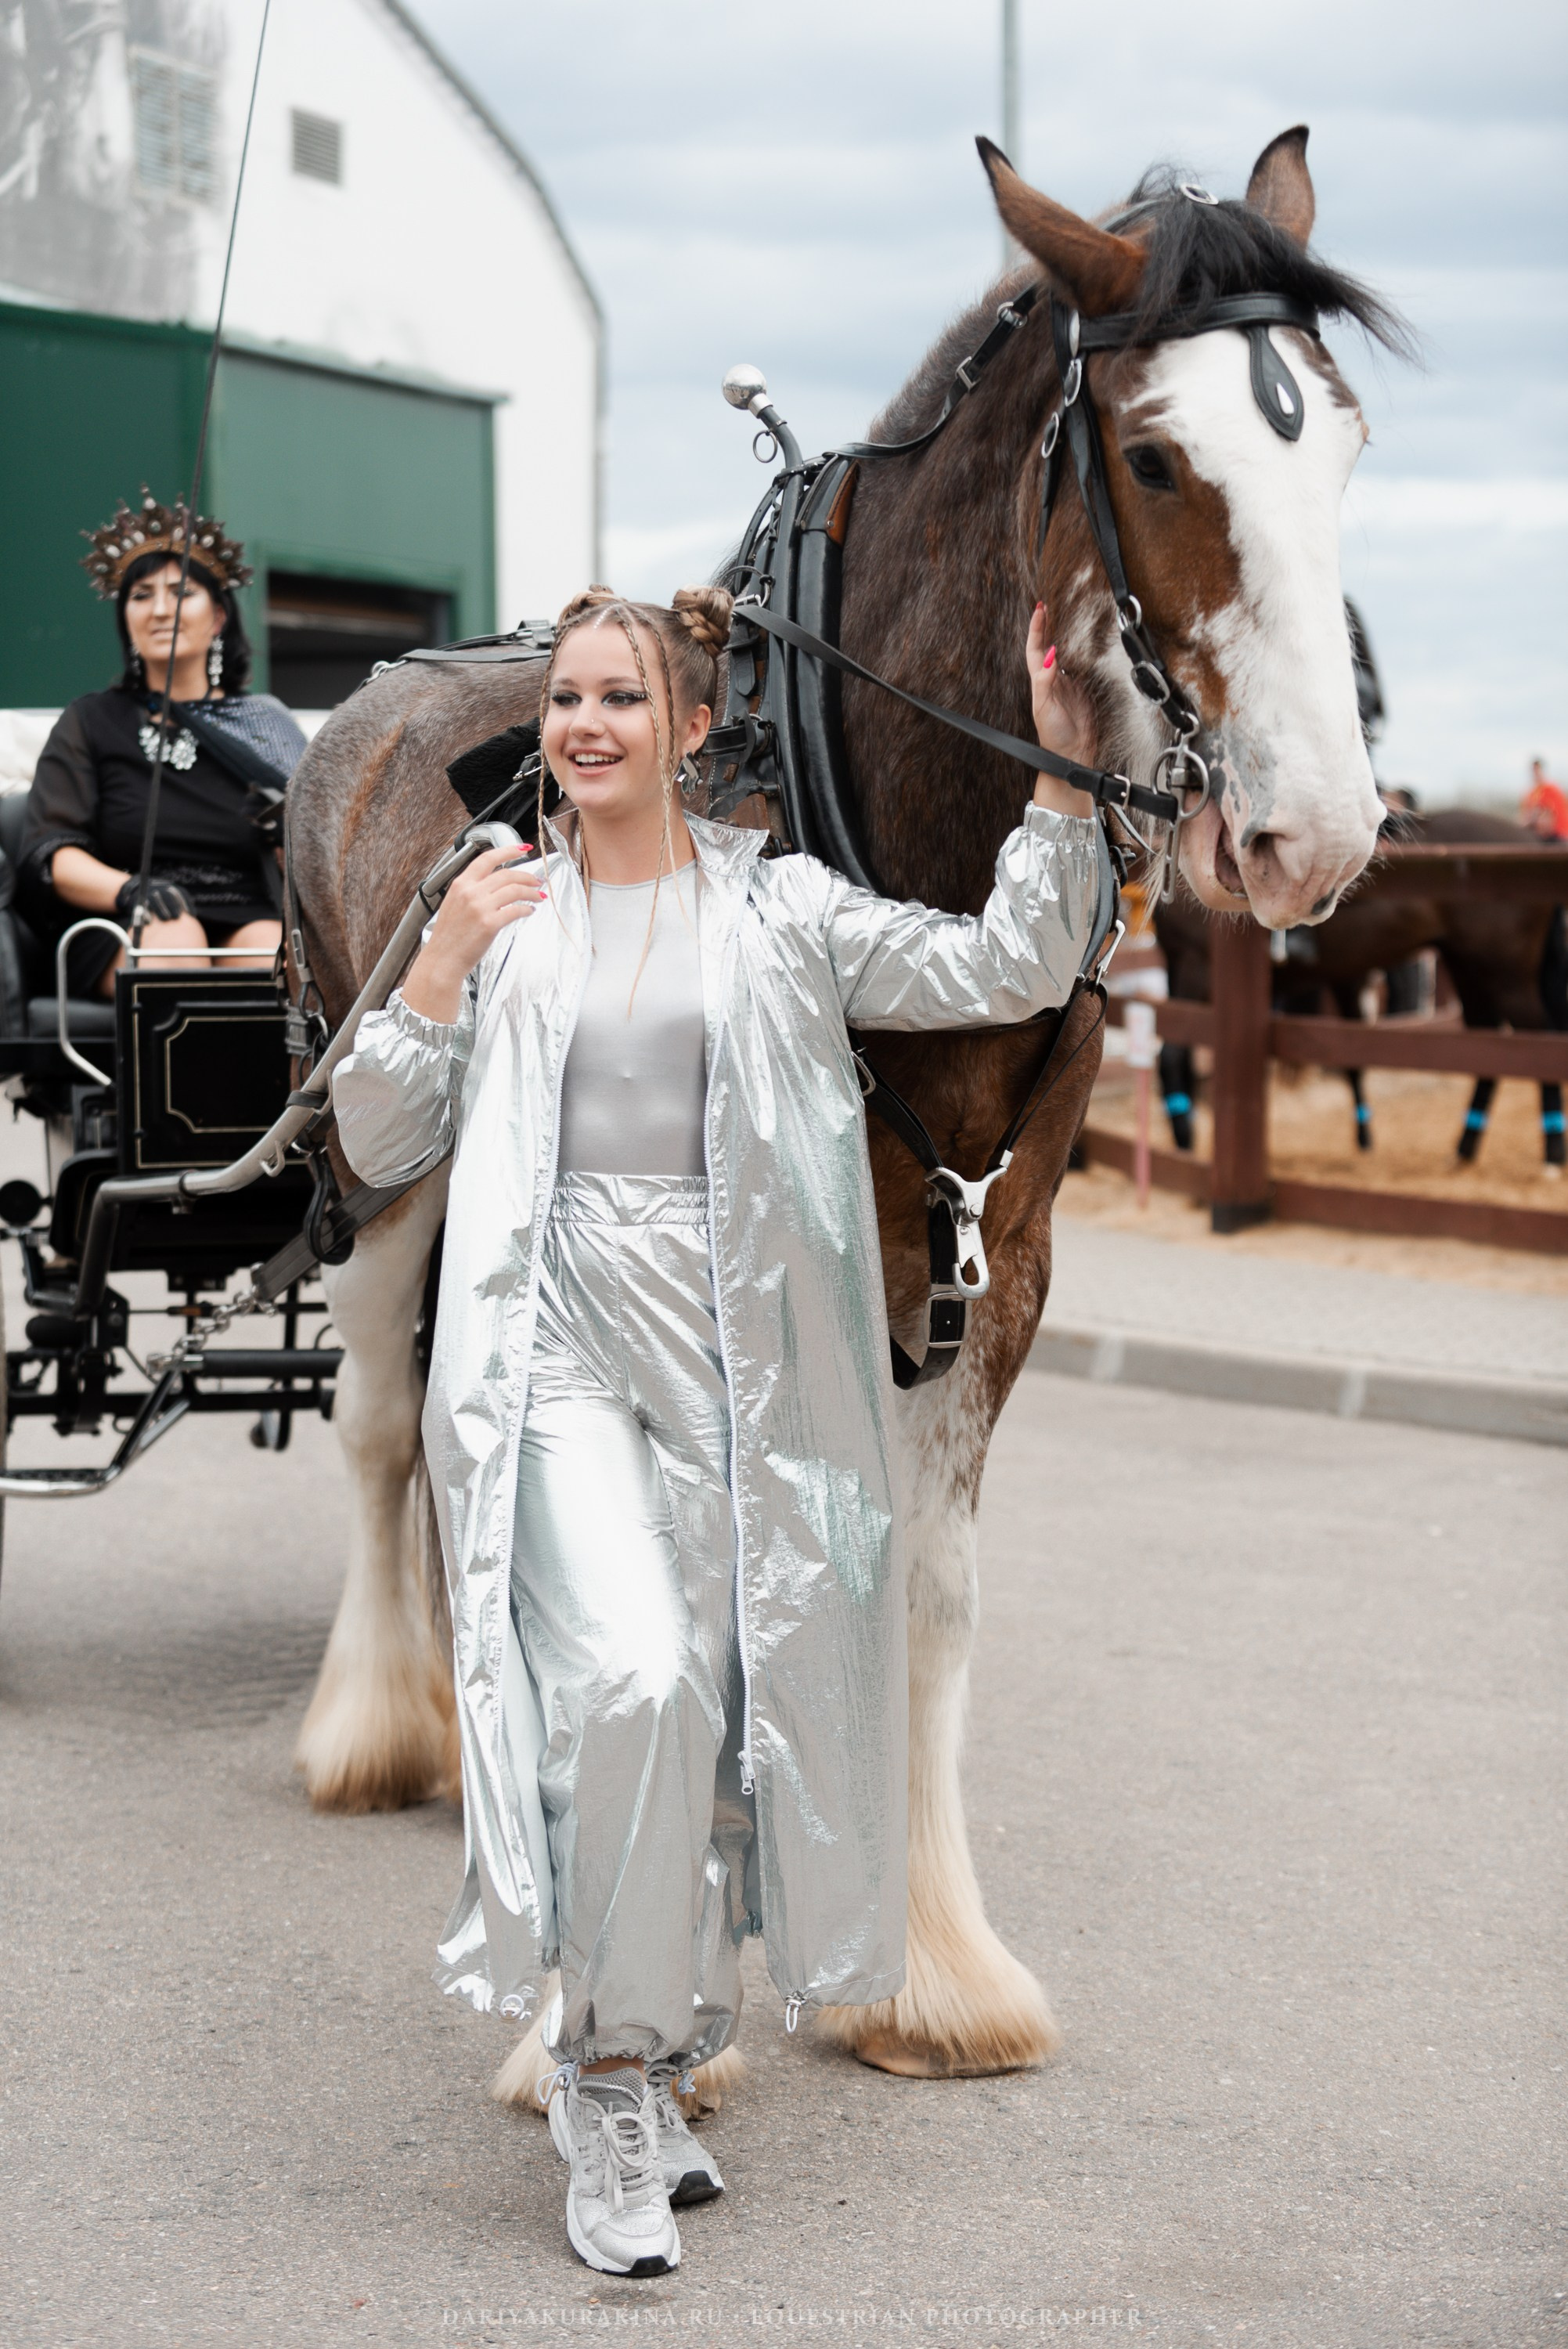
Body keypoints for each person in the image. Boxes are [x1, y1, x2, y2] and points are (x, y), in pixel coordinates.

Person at [330, 582, 1105, 2279]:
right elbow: (381, 1134)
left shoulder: (786, 917)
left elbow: (1005, 964)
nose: (583, 723)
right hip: (548, 1345)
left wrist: (1058, 780)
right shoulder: (502, 913)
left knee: (716, 1706)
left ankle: (664, 2040)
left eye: (621, 696)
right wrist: (443, 970)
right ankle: (606, 2088)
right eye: (562, 699)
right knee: (628, 1672)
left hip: (739, 1358)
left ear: (691, 731)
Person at [20, 491, 306, 998]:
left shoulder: (265, 724)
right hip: (125, 917)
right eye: (141, 595)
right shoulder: (92, 720)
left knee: (273, 958)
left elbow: (313, 844)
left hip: (245, 909)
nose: (159, 610)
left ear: (218, 618)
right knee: (177, 940)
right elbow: (54, 852)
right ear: (126, 620)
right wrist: (129, 889)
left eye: (181, 592)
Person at [1522, 758, 1568, 843]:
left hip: (1558, 835)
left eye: (1537, 770)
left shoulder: (1552, 791)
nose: (1535, 774)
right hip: (1539, 837)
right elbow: (1526, 816)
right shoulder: (1531, 794)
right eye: (1534, 771)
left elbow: (1551, 816)